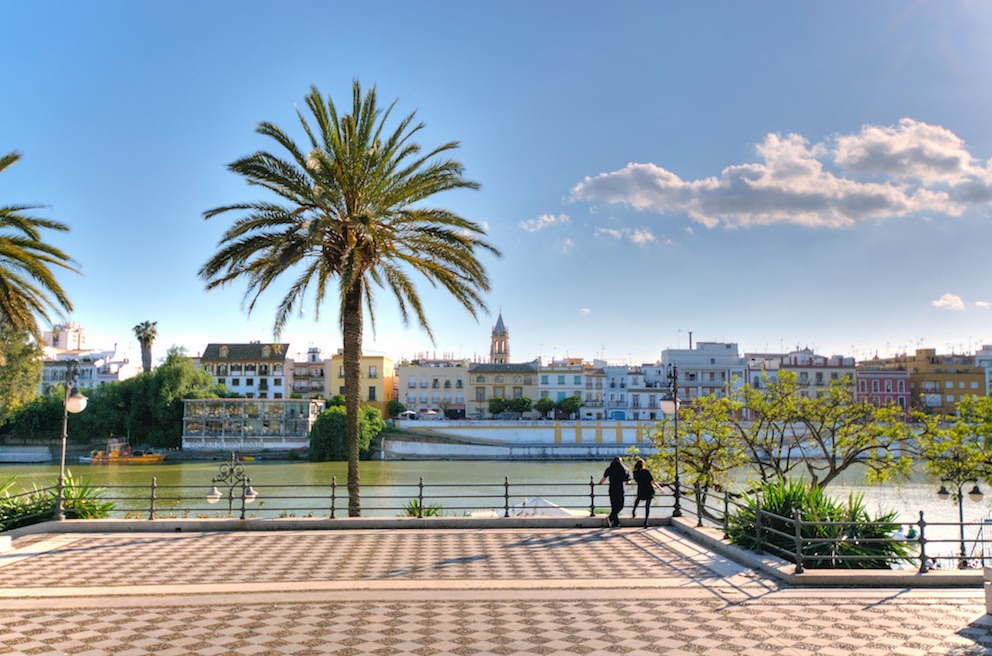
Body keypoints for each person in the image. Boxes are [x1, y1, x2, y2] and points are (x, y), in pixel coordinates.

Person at [631, 459, 664, 528]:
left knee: (638, 499)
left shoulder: (635, 472)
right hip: (648, 489)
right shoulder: (646, 471)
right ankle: (646, 521)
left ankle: (634, 509)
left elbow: (636, 480)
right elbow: (652, 481)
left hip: (641, 488)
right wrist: (659, 487)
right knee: (647, 505)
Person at [598, 456, 629, 527]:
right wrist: (628, 482)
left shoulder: (609, 469)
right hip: (621, 489)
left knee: (614, 506)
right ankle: (614, 521)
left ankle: (613, 520)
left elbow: (604, 478)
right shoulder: (624, 469)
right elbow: (627, 480)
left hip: (612, 489)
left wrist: (600, 483)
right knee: (620, 506)